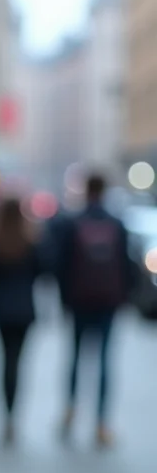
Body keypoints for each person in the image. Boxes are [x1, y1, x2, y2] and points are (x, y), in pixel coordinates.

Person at [50, 171, 134, 448]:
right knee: (104, 362)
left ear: (86, 191)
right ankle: (101, 422)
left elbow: (61, 264)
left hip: (79, 301)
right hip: (108, 302)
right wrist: (123, 299)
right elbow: (126, 265)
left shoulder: (73, 222)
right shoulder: (116, 223)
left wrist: (64, 299)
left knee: (75, 357)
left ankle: (71, 411)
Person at [0, 194, 48, 446]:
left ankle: (6, 415)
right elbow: (43, 270)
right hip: (25, 310)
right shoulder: (31, 240)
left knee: (4, 361)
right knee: (17, 362)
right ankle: (13, 414)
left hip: (1, 309)